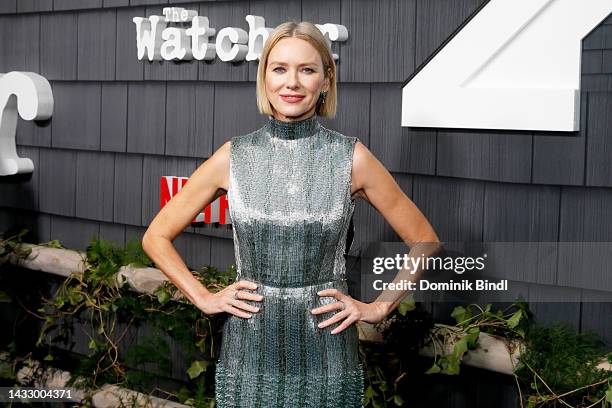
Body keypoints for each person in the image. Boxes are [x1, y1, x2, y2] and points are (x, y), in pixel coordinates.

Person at [142, 20, 439, 408]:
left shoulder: (352, 158)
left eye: (307, 69)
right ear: (264, 78)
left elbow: (425, 240)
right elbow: (155, 236)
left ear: (326, 81)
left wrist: (380, 306)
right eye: (279, 68)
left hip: (327, 353)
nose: (292, 82)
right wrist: (203, 297)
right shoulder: (234, 156)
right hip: (249, 350)